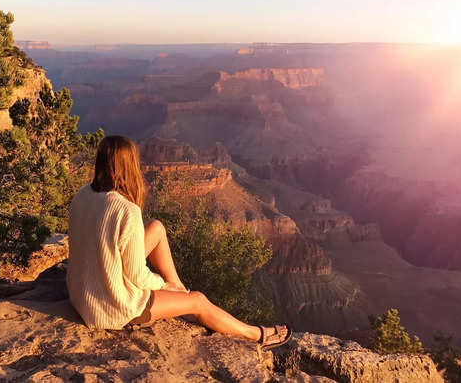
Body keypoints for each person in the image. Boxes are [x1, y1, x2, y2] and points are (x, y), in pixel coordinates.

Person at [66, 135, 292, 349]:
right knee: (199, 301)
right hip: (111, 307)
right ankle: (257, 334)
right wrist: (163, 285)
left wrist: (173, 287)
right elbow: (136, 275)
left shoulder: (82, 194)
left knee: (156, 228)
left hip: (82, 294)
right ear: (130, 166)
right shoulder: (126, 210)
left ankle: (179, 294)